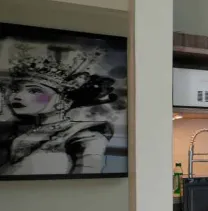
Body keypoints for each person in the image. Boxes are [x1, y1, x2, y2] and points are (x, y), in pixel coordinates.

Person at [0, 48, 119, 176]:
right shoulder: (9, 131)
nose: (18, 96)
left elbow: (86, 181)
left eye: (35, 91)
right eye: (15, 90)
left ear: (64, 100)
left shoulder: (85, 135)